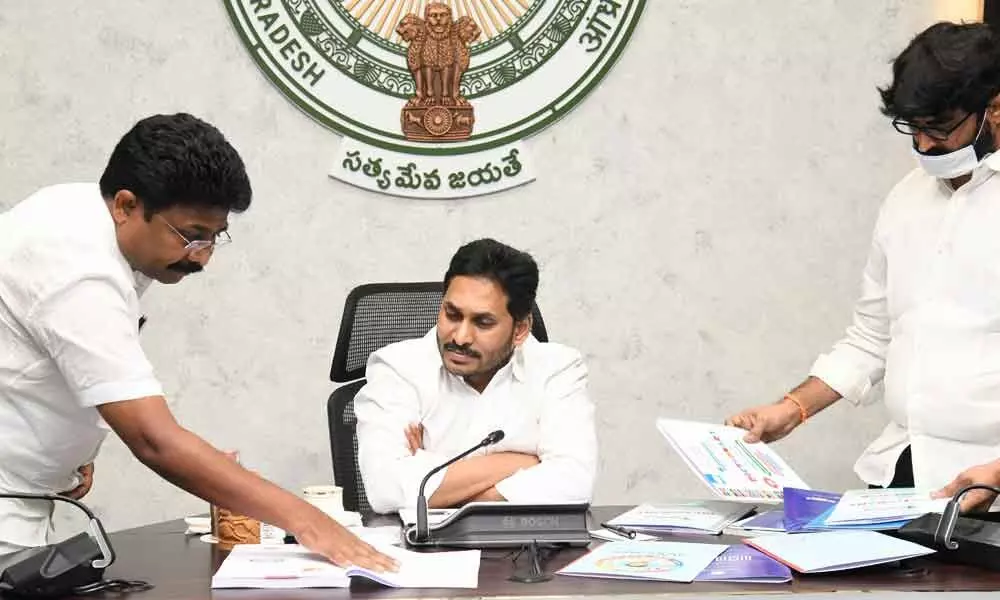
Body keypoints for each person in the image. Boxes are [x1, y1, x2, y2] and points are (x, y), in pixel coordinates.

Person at [0, 113, 394, 570]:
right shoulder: (77, 269)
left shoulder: (77, 210)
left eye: (214, 237)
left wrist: (73, 445)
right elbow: (154, 439)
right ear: (126, 205)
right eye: (191, 236)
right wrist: (308, 522)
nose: (202, 257)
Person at [726, 22, 1000, 495]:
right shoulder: (905, 199)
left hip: (988, 484)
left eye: (938, 128)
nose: (923, 145)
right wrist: (790, 409)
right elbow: (872, 338)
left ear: (994, 108)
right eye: (912, 128)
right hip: (903, 471)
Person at [354, 238, 597, 514]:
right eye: (452, 314)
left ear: (520, 329)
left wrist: (437, 484)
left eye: (483, 323)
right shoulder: (398, 368)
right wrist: (519, 463)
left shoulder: (558, 369)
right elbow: (385, 487)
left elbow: (575, 482)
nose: (460, 336)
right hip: (428, 551)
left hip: (527, 549)